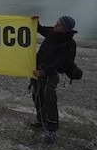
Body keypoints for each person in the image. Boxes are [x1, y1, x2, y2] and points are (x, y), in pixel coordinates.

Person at [30, 15, 77, 143]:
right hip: (37, 70)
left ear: (66, 29)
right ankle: (40, 120)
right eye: (57, 22)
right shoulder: (52, 32)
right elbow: (39, 29)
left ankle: (51, 130)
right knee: (37, 96)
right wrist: (35, 21)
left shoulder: (68, 43)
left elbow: (59, 62)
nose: (56, 25)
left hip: (49, 74)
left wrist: (44, 72)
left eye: (59, 24)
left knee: (49, 100)